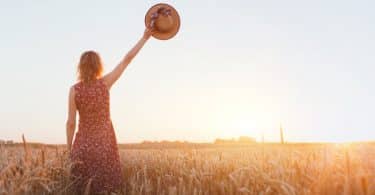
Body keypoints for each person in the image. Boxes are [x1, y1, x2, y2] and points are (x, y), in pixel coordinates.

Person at [65, 28, 153, 194]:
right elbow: (126, 60)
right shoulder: (105, 83)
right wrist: (144, 37)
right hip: (105, 148)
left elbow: (71, 123)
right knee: (106, 189)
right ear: (99, 66)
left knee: (82, 189)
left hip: (82, 148)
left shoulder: (74, 90)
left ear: (80, 67)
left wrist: (70, 151)